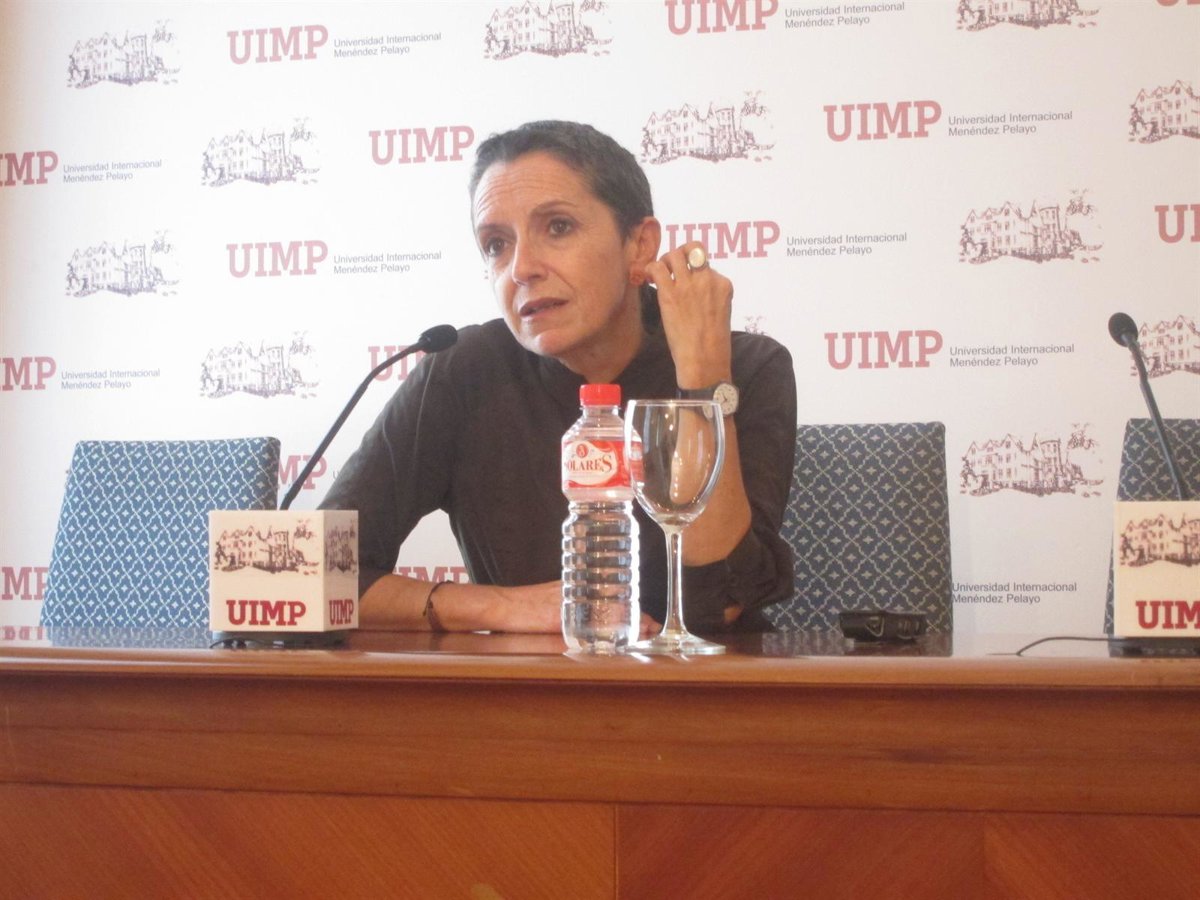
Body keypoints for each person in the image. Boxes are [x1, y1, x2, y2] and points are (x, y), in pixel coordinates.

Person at [321, 120, 796, 634]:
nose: (521, 268)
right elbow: (315, 575)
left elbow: (715, 603)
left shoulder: (747, 367)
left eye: (558, 227)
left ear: (639, 245)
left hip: (706, 681)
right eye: (496, 244)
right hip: (534, 681)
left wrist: (703, 378)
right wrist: (501, 607)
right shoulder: (463, 370)